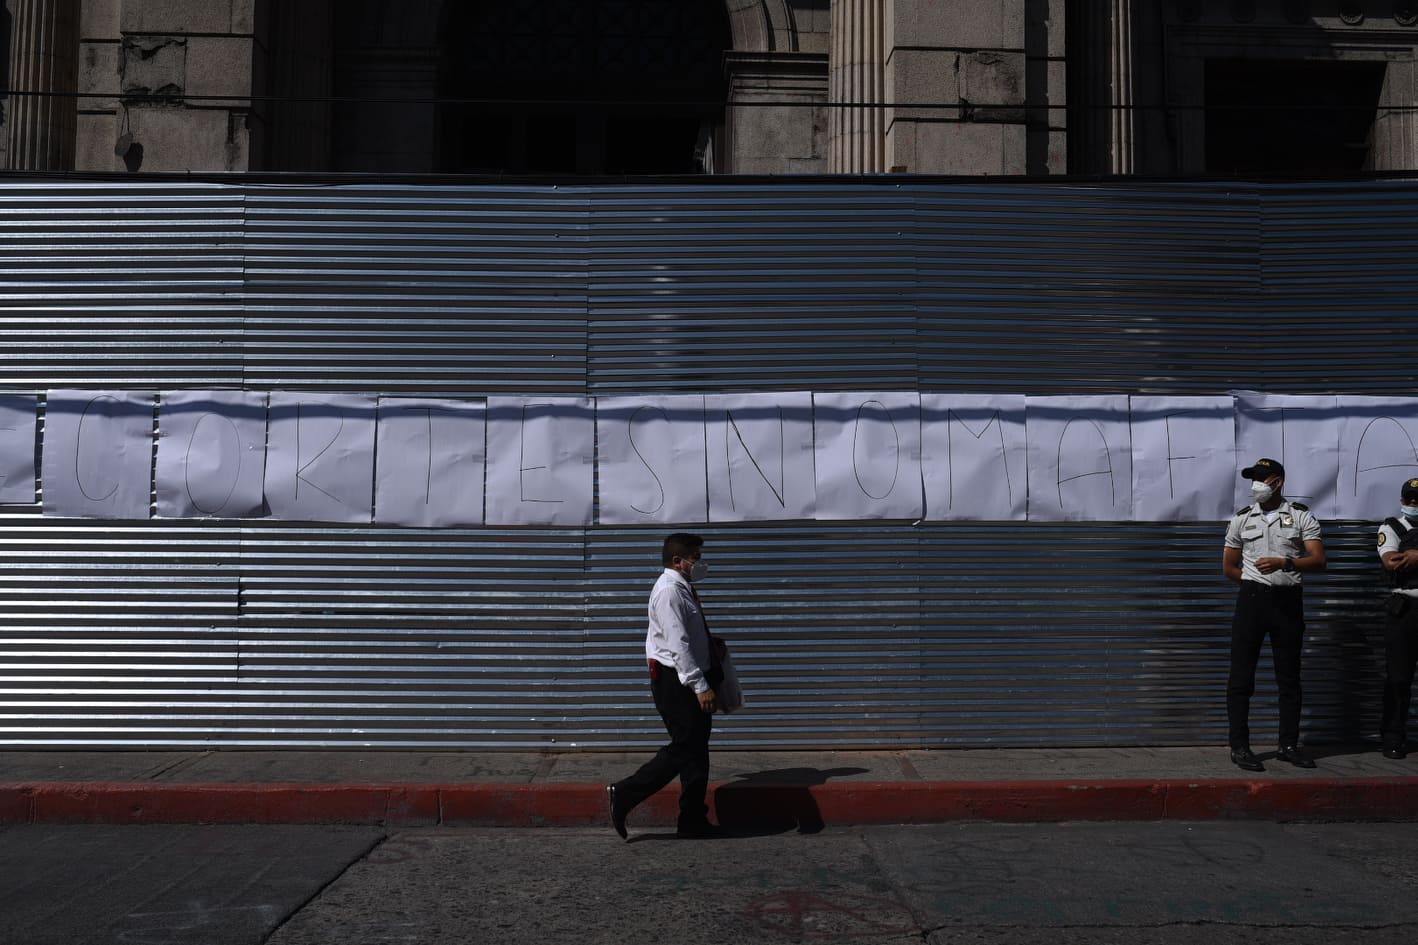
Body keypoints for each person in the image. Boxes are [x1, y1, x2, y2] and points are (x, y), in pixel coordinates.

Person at [607, 532, 723, 840]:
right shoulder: (669, 592)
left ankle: (692, 819)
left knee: (697, 750)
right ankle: (625, 793)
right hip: (677, 682)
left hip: (687, 676)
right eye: (696, 558)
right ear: (678, 560)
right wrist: (700, 686)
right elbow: (677, 644)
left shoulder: (682, 588)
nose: (700, 564)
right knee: (685, 748)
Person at [1222, 457, 1326, 772]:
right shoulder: (1241, 518)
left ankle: (1288, 745)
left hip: (1288, 603)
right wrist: (1257, 583)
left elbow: (1320, 560)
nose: (1255, 485)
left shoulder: (1300, 516)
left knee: (1289, 678)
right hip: (1251, 602)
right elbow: (1228, 567)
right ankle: (1239, 746)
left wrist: (1285, 564)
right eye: (1252, 478)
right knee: (1241, 677)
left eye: (1261, 478)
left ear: (1277, 482)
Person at [1376, 478, 1418, 759]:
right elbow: (1391, 561)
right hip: (1405, 608)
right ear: (1402, 501)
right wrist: (1406, 557)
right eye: (1410, 499)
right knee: (1399, 677)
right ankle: (1393, 737)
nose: (1415, 504)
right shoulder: (1391, 528)